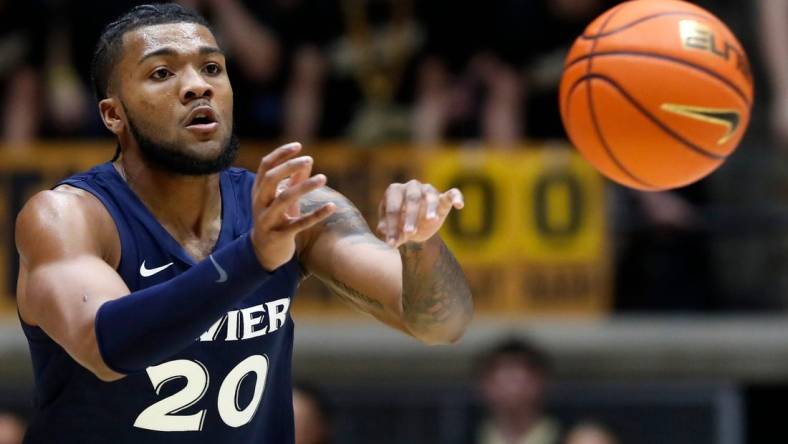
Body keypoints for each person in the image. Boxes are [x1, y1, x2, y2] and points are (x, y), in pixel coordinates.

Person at [14, 4, 473, 443]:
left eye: (212, 68)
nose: (197, 86)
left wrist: (422, 247)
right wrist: (252, 257)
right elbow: (109, 348)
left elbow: (441, 325)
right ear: (114, 114)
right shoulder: (69, 216)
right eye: (162, 73)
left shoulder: (291, 206)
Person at [475, 338, 560, 444]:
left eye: (516, 376)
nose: (511, 387)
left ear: (540, 381)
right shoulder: (463, 436)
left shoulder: (572, 437)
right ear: (485, 384)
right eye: (504, 375)